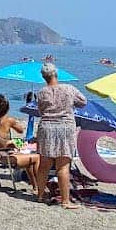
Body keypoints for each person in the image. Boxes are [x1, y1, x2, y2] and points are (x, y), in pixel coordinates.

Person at [35, 63, 87, 208]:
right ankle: (65, 200)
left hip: (46, 127)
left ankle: (39, 195)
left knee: (44, 165)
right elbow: (83, 102)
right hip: (65, 127)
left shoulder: (41, 93)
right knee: (63, 165)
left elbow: (40, 111)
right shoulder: (69, 89)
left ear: (43, 77)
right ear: (56, 74)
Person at [0, 94, 41, 192]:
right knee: (36, 157)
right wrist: (12, 141)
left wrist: (10, 143)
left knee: (28, 160)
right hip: (1, 158)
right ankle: (41, 187)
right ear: (8, 108)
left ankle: (36, 187)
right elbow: (20, 130)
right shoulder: (9, 120)